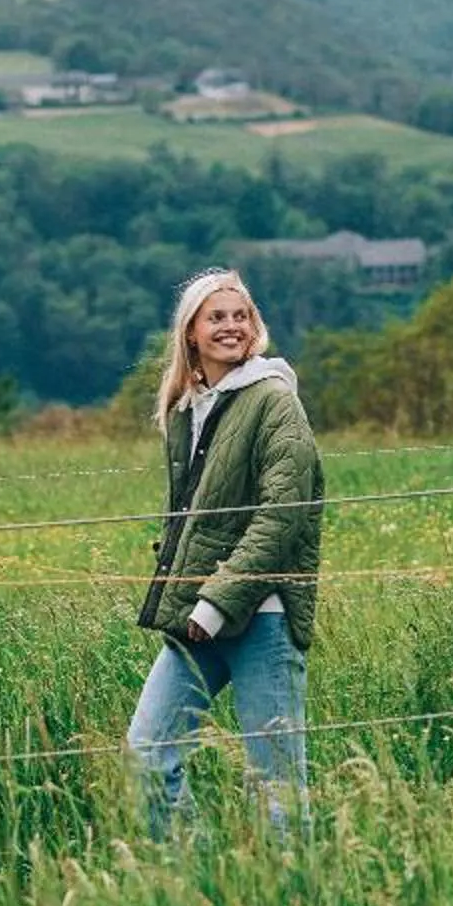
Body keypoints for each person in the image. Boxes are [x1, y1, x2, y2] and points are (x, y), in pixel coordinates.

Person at [127, 267, 321, 835]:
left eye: (241, 316)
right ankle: (200, 885)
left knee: (276, 783)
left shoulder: (273, 399)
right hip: (199, 618)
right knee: (147, 752)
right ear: (191, 333)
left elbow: (282, 515)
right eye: (217, 317)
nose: (231, 327)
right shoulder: (190, 410)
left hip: (259, 615)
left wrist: (216, 602)